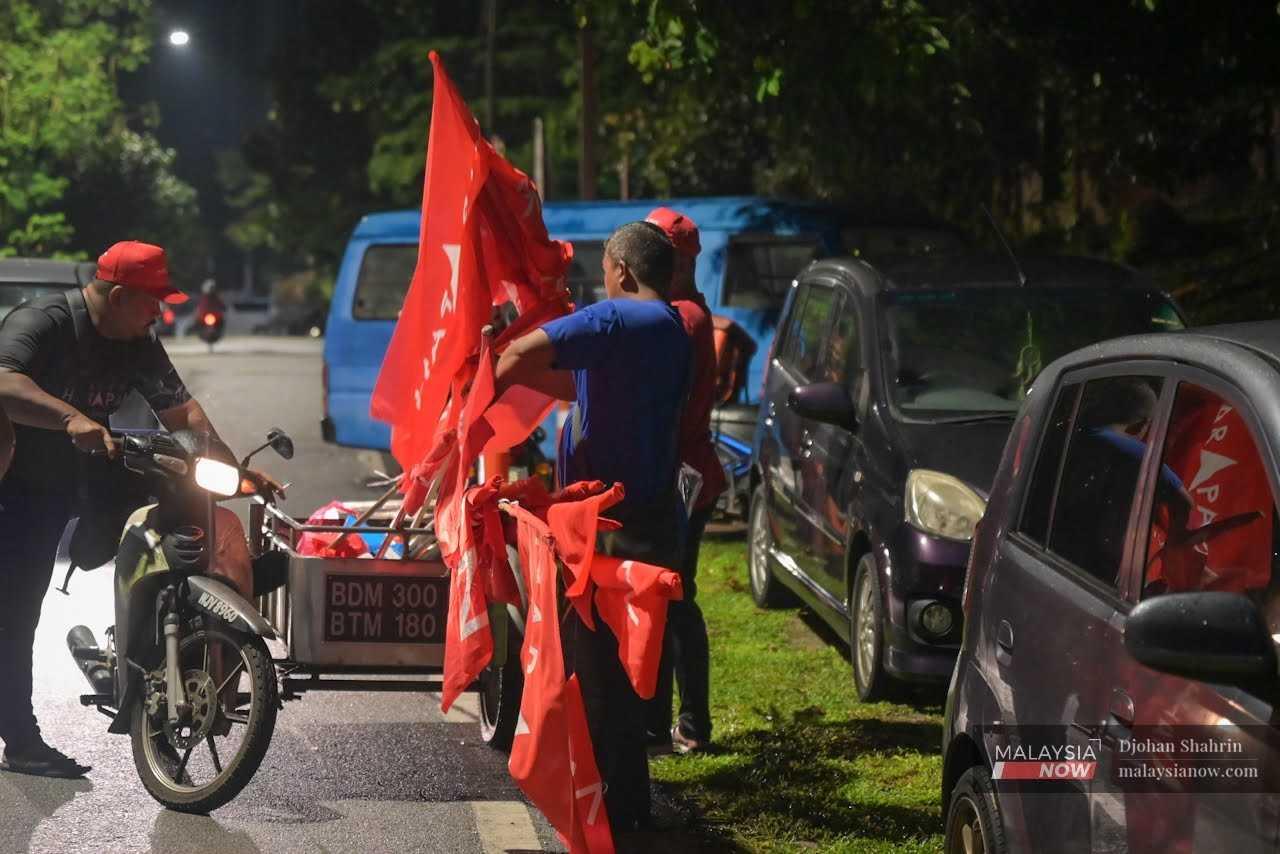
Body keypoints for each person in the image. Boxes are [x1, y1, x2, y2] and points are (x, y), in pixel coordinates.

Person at [0, 241, 263, 779]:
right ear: (118, 296)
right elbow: (3, 380)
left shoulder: (138, 342)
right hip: (22, 483)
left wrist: (230, 468)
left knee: (188, 512)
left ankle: (152, 669)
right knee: (16, 612)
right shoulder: (44, 321)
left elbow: (182, 411)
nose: (159, 314)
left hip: (95, 470)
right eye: (152, 302)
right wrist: (69, 418)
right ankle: (21, 740)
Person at [494, 221, 690, 832]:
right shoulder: (667, 330)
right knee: (627, 674)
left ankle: (615, 819)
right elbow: (566, 380)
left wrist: (486, 371)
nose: (602, 283)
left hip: (607, 528)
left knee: (598, 672)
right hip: (648, 518)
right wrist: (513, 370)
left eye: (606, 270)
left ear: (623, 272)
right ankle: (623, 804)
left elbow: (522, 354)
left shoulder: (618, 320)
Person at [642, 207, 723, 754]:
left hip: (682, 476)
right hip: (689, 472)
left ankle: (687, 725)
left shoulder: (681, 320)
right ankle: (671, 721)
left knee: (672, 598)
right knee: (669, 595)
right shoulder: (684, 312)